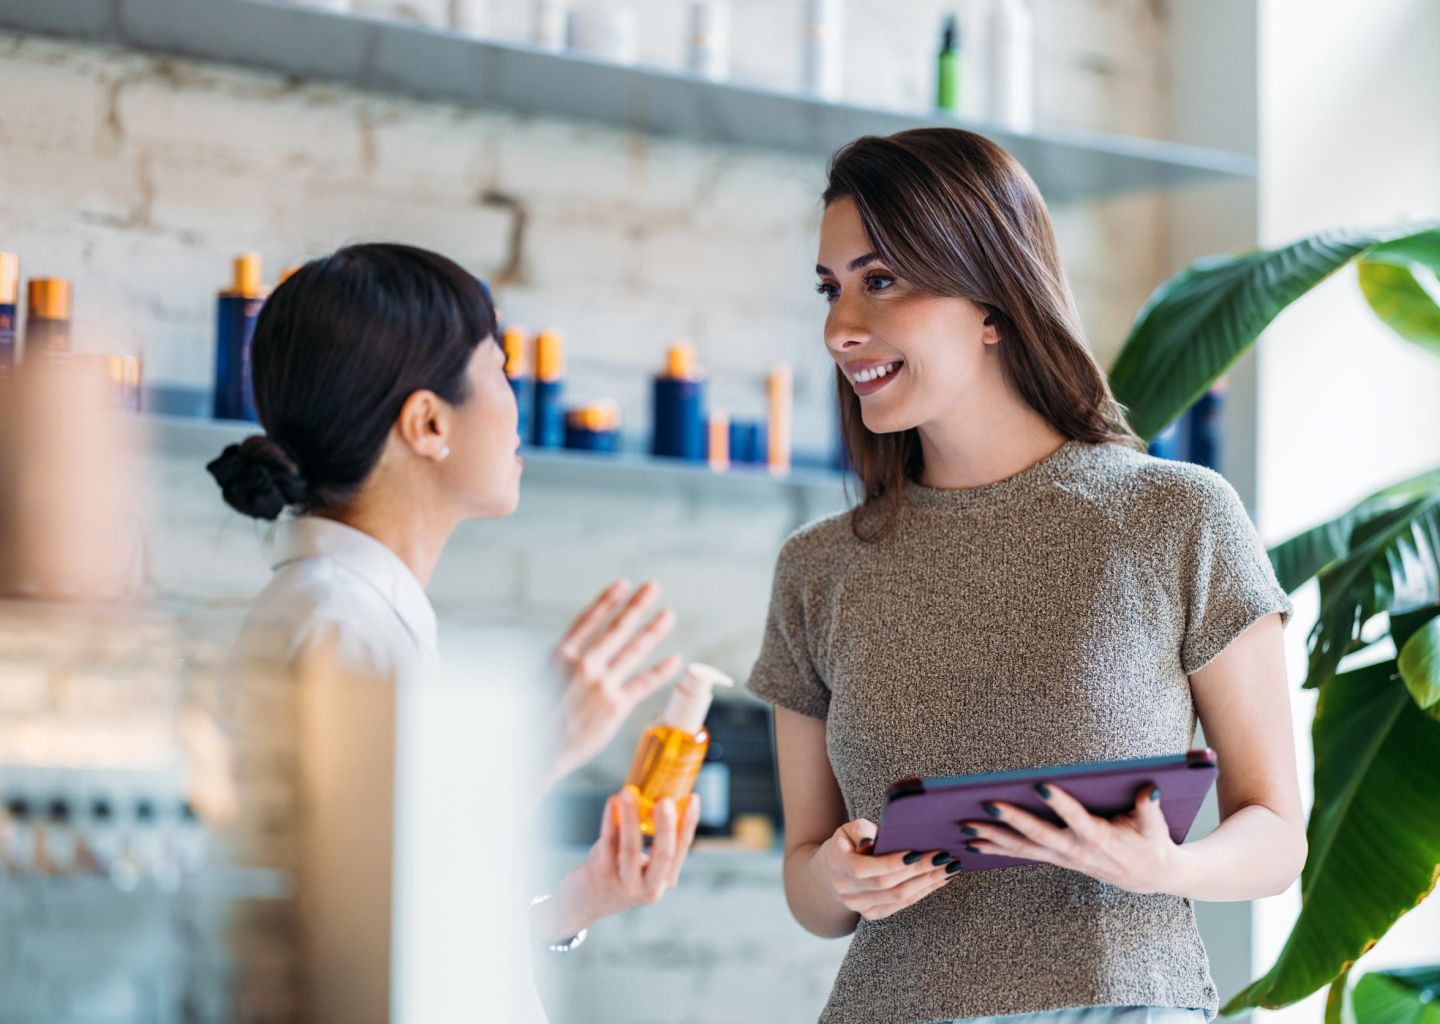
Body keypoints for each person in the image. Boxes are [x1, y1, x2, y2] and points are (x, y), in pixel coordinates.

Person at [746, 128, 1307, 1024]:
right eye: (831, 288)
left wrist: (1171, 868)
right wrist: (832, 875)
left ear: (992, 301)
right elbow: (811, 894)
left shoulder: (1177, 517)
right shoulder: (817, 567)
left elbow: (1278, 835)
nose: (840, 328)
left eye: (880, 280)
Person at [206, 243, 698, 956]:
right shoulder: (343, 626)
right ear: (429, 424)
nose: (517, 404)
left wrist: (577, 900)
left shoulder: (346, 608)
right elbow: (370, 951)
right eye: (499, 371)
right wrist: (540, 747)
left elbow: (415, 926)